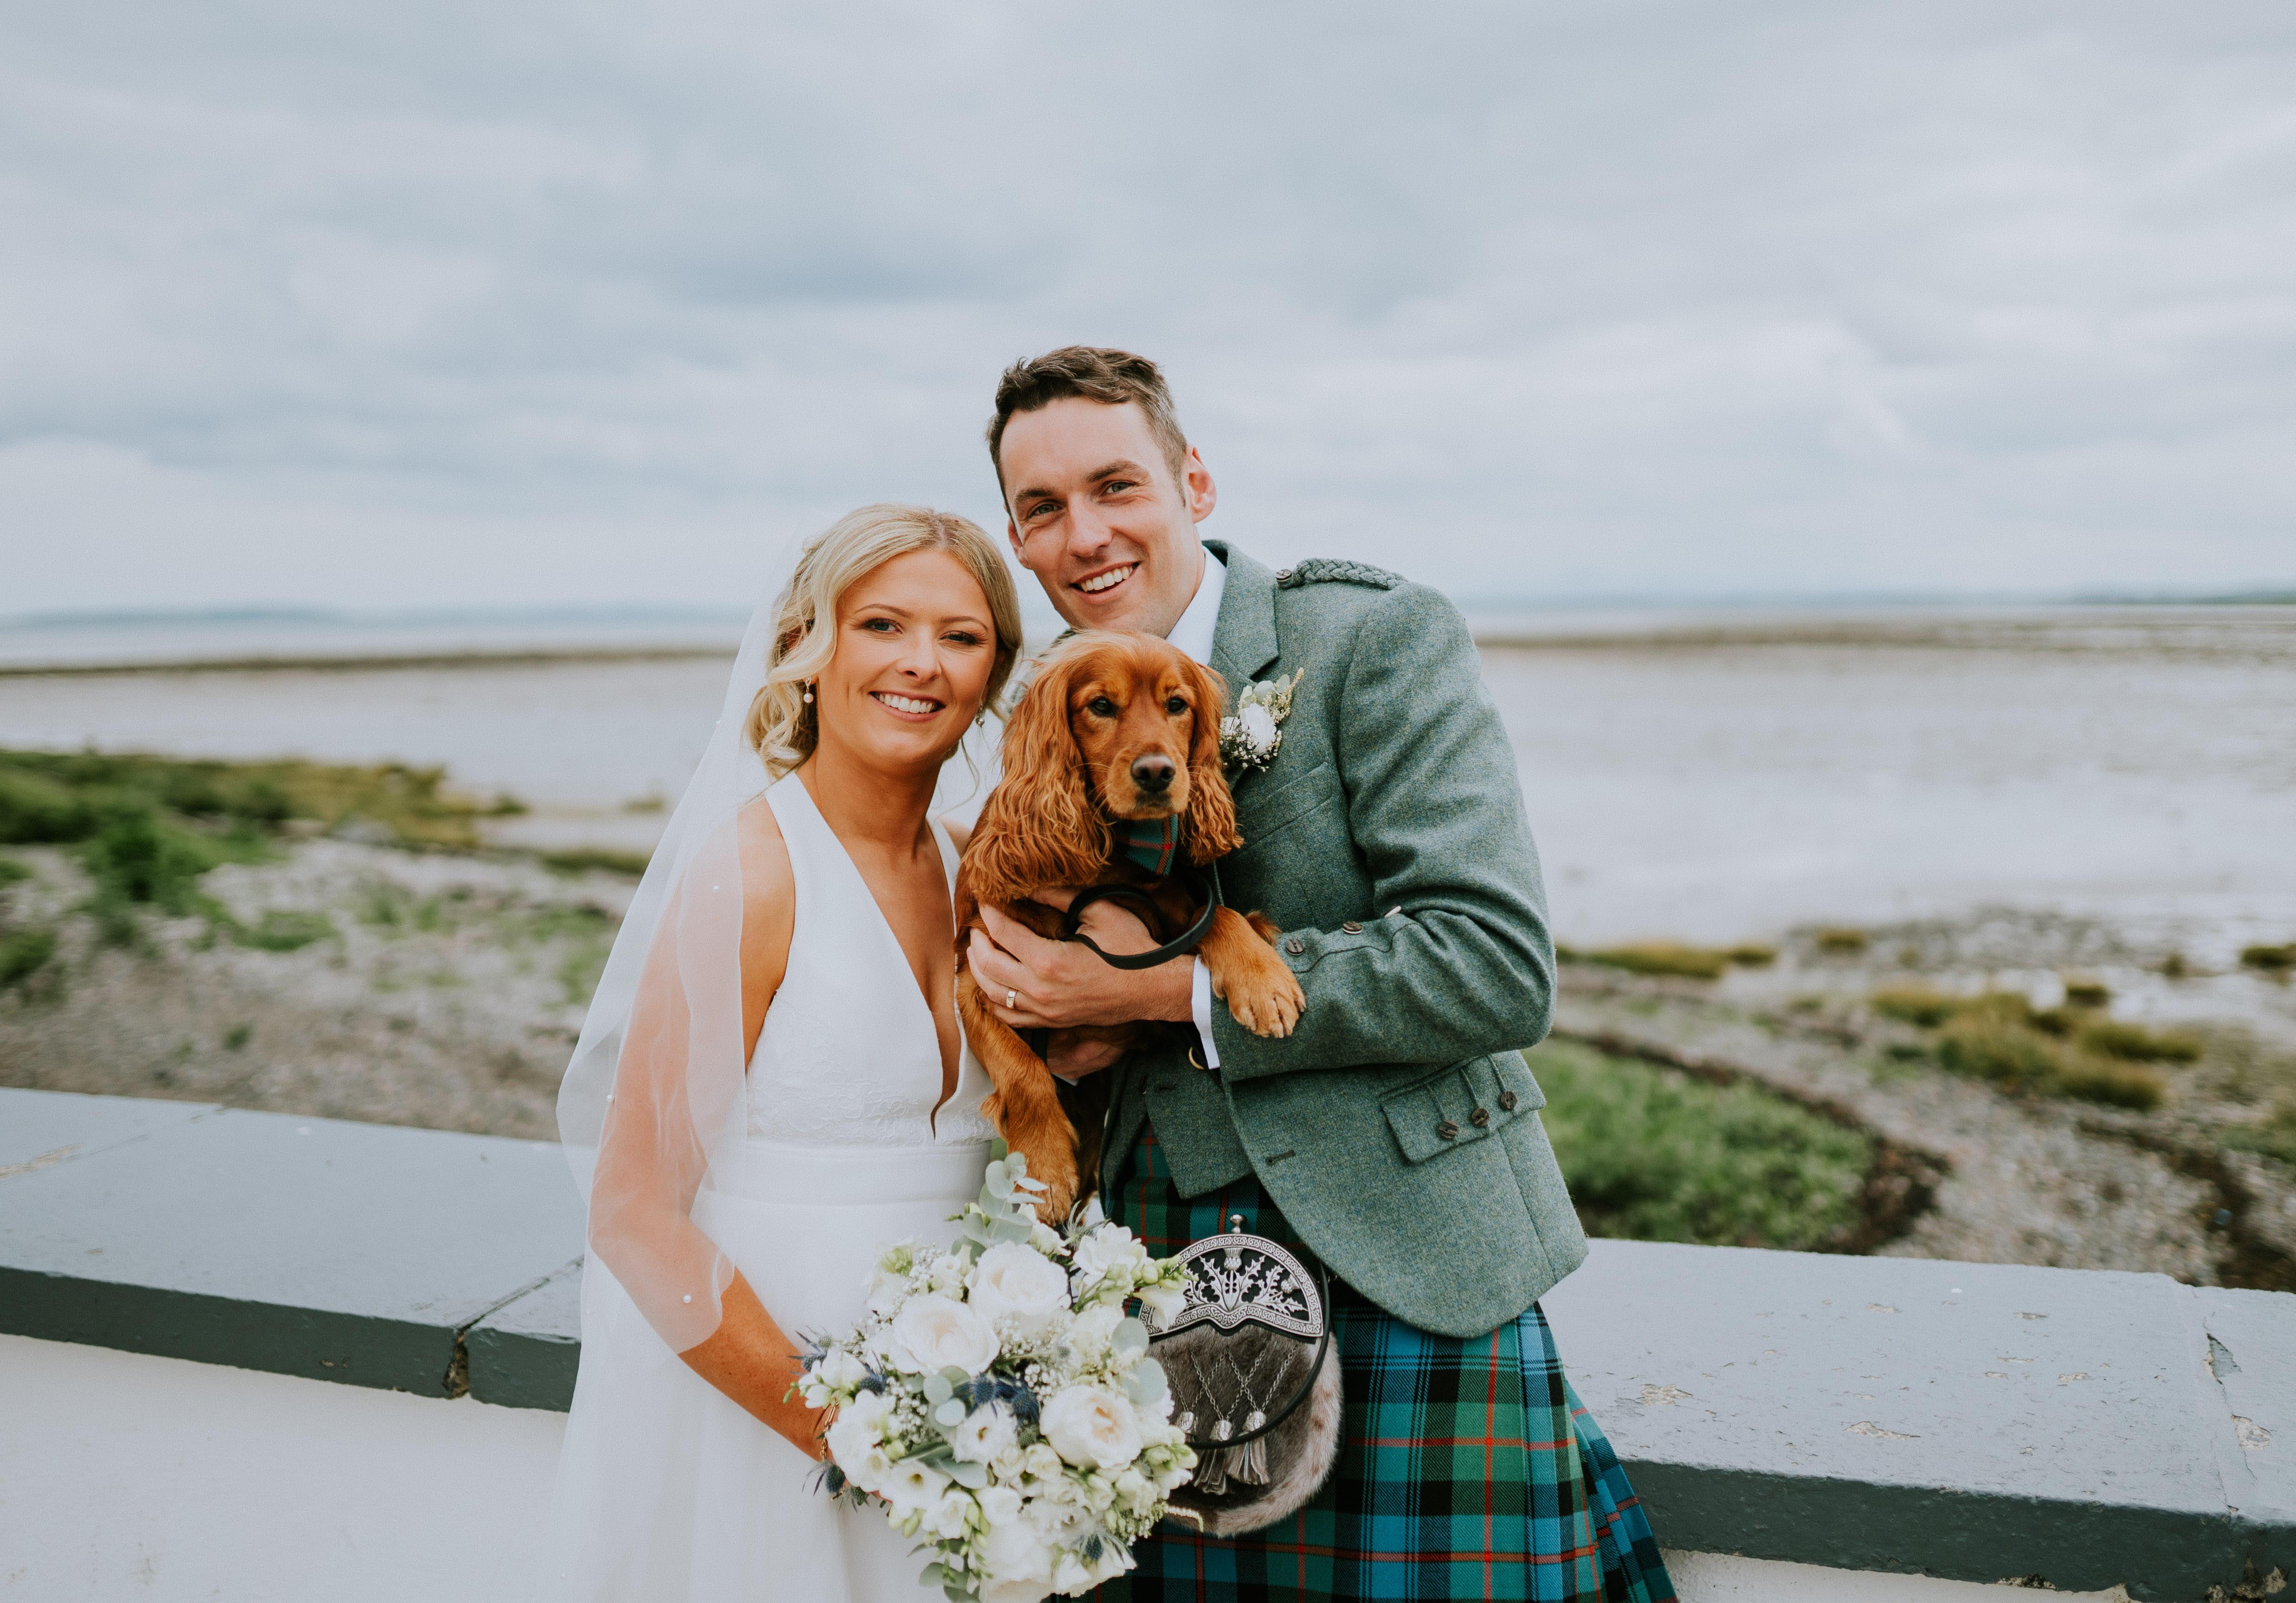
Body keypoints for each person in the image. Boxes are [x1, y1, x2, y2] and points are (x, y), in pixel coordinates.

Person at [965, 348, 1676, 1603]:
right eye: (1042, 508)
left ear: (1195, 480)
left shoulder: (1370, 635)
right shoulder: (1047, 703)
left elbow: (1495, 963)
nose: (1084, 536)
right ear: (1018, 536)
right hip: (1141, 1279)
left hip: (1401, 1257)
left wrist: (1157, 996)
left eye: (1116, 486)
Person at [550, 504, 1025, 1602]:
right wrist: (848, 1436)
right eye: (882, 626)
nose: (922, 663)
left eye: (961, 636)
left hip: (973, 1415)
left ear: (995, 670)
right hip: (777, 1419)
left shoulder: (978, 873)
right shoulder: (750, 873)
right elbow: (632, 1210)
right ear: (811, 647)